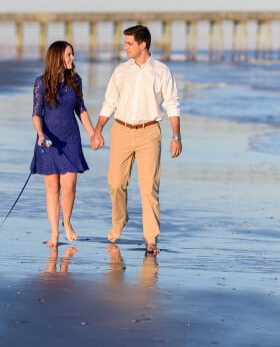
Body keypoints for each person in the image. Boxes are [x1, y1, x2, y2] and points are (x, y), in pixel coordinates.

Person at [90, 25, 181, 254]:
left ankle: (151, 238)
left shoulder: (161, 71)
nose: (125, 47)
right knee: (115, 183)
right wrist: (98, 130)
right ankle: (119, 221)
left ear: (143, 44)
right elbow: (109, 102)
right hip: (121, 130)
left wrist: (176, 136)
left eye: (129, 43)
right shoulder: (121, 71)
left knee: (149, 187)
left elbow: (172, 104)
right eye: (125, 43)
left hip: (149, 132)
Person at [30, 40, 96, 247]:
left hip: (70, 139)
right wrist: (40, 134)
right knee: (52, 188)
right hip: (49, 139)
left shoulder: (75, 80)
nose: (72, 58)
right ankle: (54, 234)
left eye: (72, 54)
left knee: (70, 185)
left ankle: (67, 222)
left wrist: (93, 133)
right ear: (58, 56)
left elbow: (81, 110)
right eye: (69, 55)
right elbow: (36, 113)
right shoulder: (41, 82)